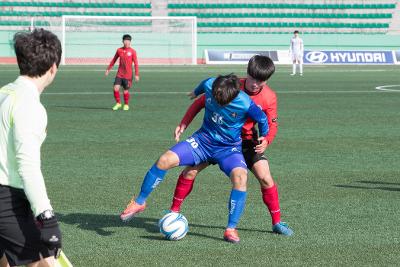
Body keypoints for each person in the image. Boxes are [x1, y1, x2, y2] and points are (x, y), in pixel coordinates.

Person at [120, 74, 269, 243]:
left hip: (229, 149)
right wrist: (194, 94)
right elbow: (201, 90)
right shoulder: (210, 84)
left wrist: (264, 136)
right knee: (164, 160)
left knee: (241, 177)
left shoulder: (246, 103)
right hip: (202, 141)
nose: (218, 102)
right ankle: (140, 202)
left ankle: (230, 229)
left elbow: (263, 119)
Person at [171, 55, 293, 236]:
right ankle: (173, 212)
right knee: (190, 171)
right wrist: (184, 122)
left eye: (260, 81)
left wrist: (267, 139)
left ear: (266, 80)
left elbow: (271, 123)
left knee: (266, 178)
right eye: (252, 79)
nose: (254, 84)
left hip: (248, 142)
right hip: (218, 140)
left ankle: (277, 222)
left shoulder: (269, 97)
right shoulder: (231, 87)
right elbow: (201, 102)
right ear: (247, 73)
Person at [0, 29, 62, 267]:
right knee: (42, 262)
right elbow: (28, 167)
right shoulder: (30, 106)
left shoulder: (5, 93)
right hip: (7, 200)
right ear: (53, 67)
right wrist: (47, 218)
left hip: (9, 199)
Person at [105, 34, 139, 111]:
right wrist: (108, 69)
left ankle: (126, 104)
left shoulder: (133, 52)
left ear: (130, 42)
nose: (127, 42)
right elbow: (114, 60)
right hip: (120, 74)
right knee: (115, 88)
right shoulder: (119, 50)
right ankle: (118, 103)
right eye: (125, 40)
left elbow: (136, 64)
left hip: (128, 75)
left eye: (128, 41)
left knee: (125, 90)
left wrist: (137, 74)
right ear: (123, 41)